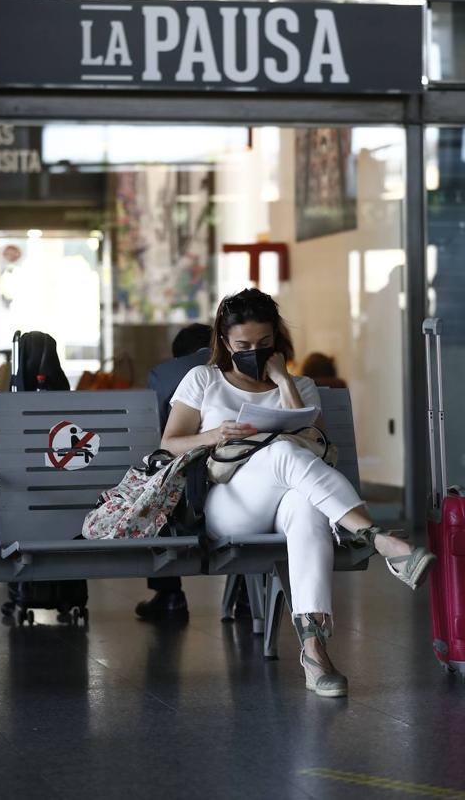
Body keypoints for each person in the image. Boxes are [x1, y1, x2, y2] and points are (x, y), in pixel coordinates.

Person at [161, 288, 437, 698]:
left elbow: (316, 443)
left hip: (286, 499)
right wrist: (214, 434)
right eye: (243, 346)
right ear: (224, 341)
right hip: (228, 503)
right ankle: (377, 538)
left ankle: (314, 651)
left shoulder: (301, 386)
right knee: (283, 452)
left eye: (264, 343)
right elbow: (169, 443)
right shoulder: (204, 379)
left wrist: (282, 380)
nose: (254, 352)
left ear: (277, 339)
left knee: (307, 506)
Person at [134, 323, 211, 622]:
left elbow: (155, 435)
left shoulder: (164, 374)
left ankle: (169, 595)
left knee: (154, 484)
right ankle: (246, 597)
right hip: (244, 479)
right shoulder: (243, 366)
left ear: (179, 356)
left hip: (187, 488)